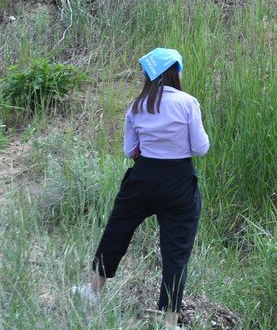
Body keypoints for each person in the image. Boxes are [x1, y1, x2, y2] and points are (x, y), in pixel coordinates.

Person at [73, 48, 210, 330]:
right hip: (179, 182)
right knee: (176, 251)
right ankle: (169, 321)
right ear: (176, 71)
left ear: (148, 74)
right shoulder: (187, 102)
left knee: (116, 231)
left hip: (143, 177)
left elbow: (128, 150)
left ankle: (93, 292)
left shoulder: (137, 105)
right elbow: (200, 148)